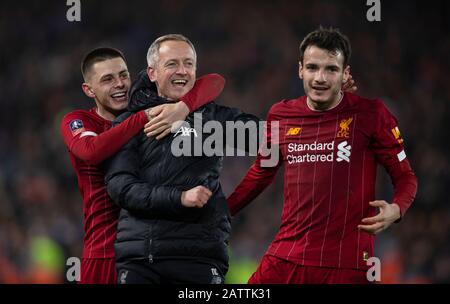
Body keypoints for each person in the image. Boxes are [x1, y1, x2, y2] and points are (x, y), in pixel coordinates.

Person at [227, 27, 418, 284]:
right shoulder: (281, 115)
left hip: (346, 264)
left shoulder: (371, 115)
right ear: (300, 70)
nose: (320, 77)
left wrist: (397, 208)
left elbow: (405, 176)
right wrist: (221, 211)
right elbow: (260, 173)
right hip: (286, 256)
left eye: (331, 69)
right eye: (313, 67)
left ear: (345, 73)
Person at [104, 34, 262, 284]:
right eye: (172, 64)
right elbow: (120, 188)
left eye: (189, 64)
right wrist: (179, 198)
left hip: (199, 257)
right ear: (153, 73)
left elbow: (264, 138)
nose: (183, 71)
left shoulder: (212, 119)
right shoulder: (129, 123)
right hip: (143, 259)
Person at [60, 47, 224, 284]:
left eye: (123, 75)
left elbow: (214, 82)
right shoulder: (80, 121)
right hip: (106, 253)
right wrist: (145, 116)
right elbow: (91, 151)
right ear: (89, 89)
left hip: (153, 251)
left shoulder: (148, 103)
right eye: (107, 79)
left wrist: (182, 107)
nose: (120, 84)